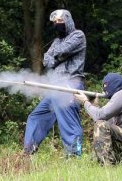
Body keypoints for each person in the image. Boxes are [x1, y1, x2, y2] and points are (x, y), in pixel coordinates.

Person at [24, 9, 86, 156]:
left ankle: (73, 156)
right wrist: (56, 57)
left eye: (60, 21)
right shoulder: (57, 41)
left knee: (68, 121)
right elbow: (46, 60)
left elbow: (61, 52)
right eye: (55, 22)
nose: (57, 25)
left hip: (71, 84)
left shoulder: (78, 35)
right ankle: (28, 151)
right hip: (55, 87)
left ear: (68, 21)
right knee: (36, 116)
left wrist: (56, 57)